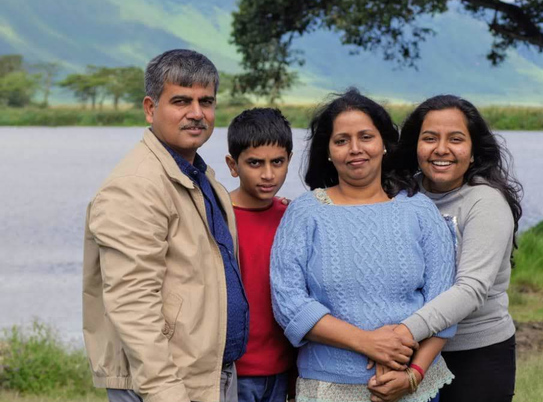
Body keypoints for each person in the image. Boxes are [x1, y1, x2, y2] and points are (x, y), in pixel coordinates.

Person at [269, 89, 456, 402]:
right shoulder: (305, 212)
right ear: (327, 151)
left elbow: (445, 304)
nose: (355, 149)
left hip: (413, 386)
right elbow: (288, 303)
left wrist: (412, 375)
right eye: (341, 141)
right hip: (328, 388)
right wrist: (367, 342)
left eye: (366, 137)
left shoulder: (419, 211)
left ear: (384, 142)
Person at [83, 49, 249, 402]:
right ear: (150, 107)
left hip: (207, 375)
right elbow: (132, 303)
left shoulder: (199, 175)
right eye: (181, 101)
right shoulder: (136, 185)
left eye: (206, 101)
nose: (196, 113)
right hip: (164, 385)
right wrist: (164, 392)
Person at [391, 94, 523, 402]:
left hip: (476, 353)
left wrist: (402, 334)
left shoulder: (485, 202)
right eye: (430, 138)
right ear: (415, 146)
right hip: (410, 352)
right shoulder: (399, 196)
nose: (441, 149)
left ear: (474, 150)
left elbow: (471, 290)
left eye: (456, 139)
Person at [224, 108, 296, 402]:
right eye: (255, 163)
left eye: (277, 162)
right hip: (231, 371)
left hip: (284, 368)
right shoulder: (217, 216)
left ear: (288, 160)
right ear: (233, 165)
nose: (268, 174)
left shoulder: (293, 216)